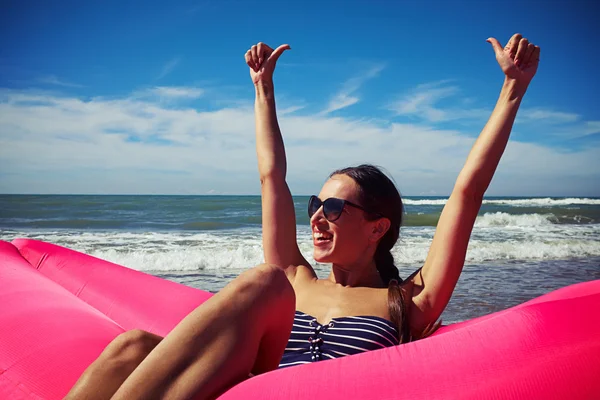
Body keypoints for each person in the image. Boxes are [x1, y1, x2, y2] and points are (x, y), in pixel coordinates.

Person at [66, 33, 540, 399]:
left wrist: (512, 90)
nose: (316, 217)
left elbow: (467, 192)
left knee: (266, 281)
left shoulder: (411, 300)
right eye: (315, 206)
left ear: (379, 227)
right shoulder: (300, 278)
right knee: (131, 346)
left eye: (333, 209)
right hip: (254, 389)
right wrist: (262, 89)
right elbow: (272, 178)